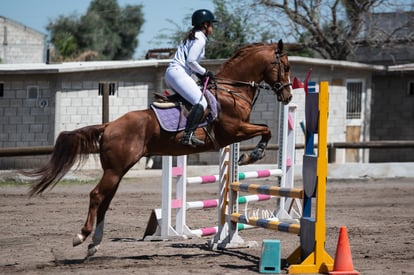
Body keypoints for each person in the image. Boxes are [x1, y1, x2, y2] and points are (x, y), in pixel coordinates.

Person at [164, 9, 217, 147]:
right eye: (211, 24)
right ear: (205, 24)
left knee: (195, 98)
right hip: (179, 73)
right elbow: (191, 61)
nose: (212, 27)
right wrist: (205, 72)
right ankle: (188, 135)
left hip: (175, 73)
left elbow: (190, 63)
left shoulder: (194, 36)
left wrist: (201, 74)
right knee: (201, 102)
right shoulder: (200, 38)